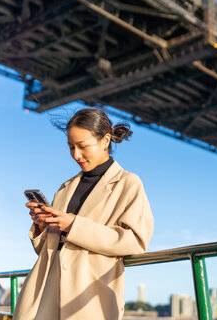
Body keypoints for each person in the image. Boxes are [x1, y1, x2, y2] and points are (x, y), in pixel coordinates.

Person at [13, 108, 154, 320]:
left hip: (88, 295)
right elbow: (49, 249)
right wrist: (43, 225)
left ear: (105, 141)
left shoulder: (128, 184)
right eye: (71, 147)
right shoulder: (65, 187)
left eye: (82, 146)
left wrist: (74, 225)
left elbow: (135, 241)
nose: (76, 154)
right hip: (46, 291)